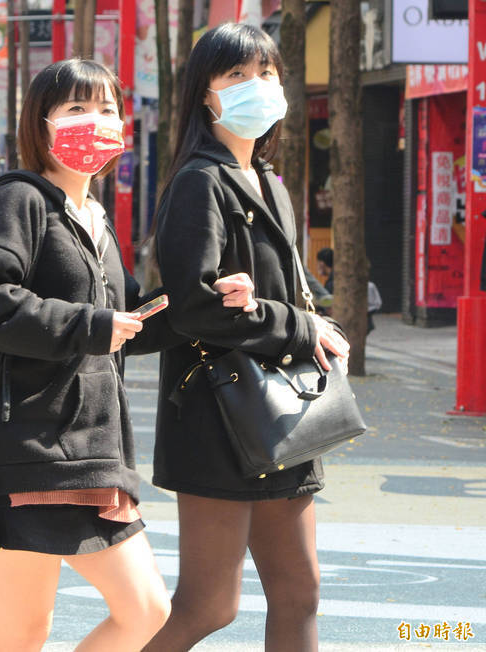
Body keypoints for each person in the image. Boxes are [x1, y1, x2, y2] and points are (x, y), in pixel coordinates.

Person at [0, 58, 195, 652]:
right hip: (30, 448)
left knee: (131, 615)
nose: (95, 121)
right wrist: (90, 324)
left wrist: (199, 305)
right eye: (76, 109)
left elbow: (117, 327)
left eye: (106, 109)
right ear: (41, 123)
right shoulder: (20, 200)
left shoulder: (94, 217)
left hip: (91, 448)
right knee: (36, 632)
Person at [145, 24, 350, 651]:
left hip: (282, 413)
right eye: (236, 75)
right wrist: (301, 324)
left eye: (266, 73)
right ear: (204, 95)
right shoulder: (198, 183)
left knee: (300, 592)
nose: (255, 87)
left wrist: (288, 312)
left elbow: (275, 299)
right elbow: (196, 310)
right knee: (209, 607)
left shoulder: (272, 184)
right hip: (216, 415)